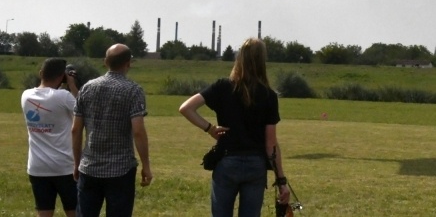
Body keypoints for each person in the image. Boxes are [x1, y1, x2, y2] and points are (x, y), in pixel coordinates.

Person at [179, 37, 289, 217]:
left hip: (227, 161)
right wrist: (281, 180)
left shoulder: (222, 87)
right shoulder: (269, 95)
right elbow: (271, 144)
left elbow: (186, 108)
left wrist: (209, 128)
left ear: (240, 58)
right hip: (255, 164)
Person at [72, 44, 152, 217]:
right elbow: (138, 131)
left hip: (89, 166)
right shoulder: (133, 90)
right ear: (128, 63)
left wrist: (76, 163)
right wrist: (146, 165)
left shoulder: (86, 88)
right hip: (121, 169)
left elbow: (76, 130)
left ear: (105, 62)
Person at [21, 58, 79, 217]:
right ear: (62, 76)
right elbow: (84, 109)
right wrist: (72, 85)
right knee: (74, 211)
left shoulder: (26, 95)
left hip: (37, 167)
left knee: (44, 212)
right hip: (64, 166)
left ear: (41, 73)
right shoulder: (63, 96)